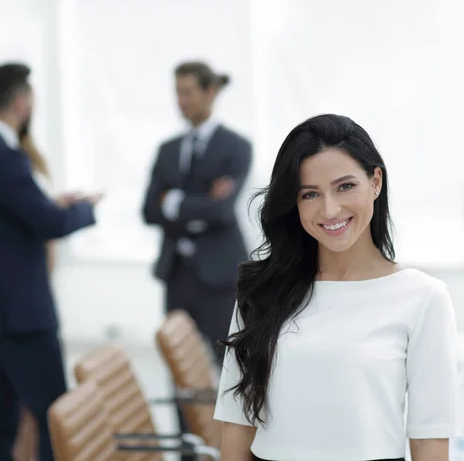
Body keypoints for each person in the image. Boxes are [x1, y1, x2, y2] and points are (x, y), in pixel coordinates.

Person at [214, 114, 461, 461]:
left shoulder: (422, 298)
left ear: (375, 182)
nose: (329, 209)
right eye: (310, 194)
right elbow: (236, 422)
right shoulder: (262, 291)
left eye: (345, 186)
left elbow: (430, 440)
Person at [0, 62, 101, 461]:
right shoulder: (5, 157)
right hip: (21, 313)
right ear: (21, 103)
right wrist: (84, 210)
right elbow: (49, 223)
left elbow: (5, 223)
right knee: (54, 413)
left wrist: (47, 207)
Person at [142, 60, 252, 368]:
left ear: (211, 92)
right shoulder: (167, 149)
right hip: (176, 274)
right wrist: (201, 202)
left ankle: (229, 421)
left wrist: (174, 202)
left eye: (188, 92)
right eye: (177, 93)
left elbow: (221, 211)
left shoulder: (236, 146)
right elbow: (149, 210)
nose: (181, 101)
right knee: (180, 370)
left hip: (220, 276)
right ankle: (186, 421)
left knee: (231, 367)